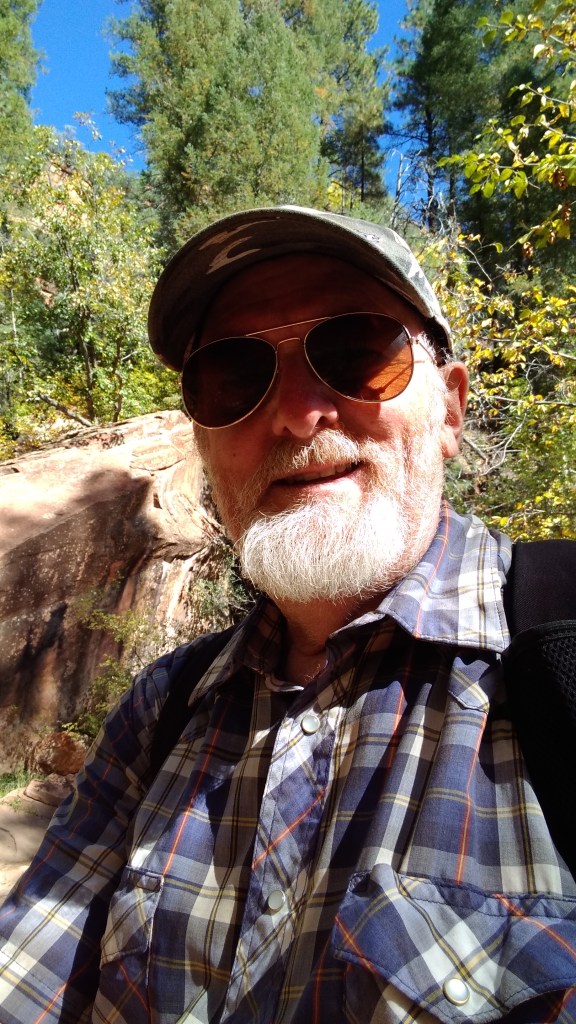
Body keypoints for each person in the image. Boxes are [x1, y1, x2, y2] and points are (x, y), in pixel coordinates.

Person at [0, 205, 575, 1024]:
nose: (297, 413)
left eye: (358, 352)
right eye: (234, 375)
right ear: (203, 440)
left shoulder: (561, 649)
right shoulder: (163, 708)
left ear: (450, 409)